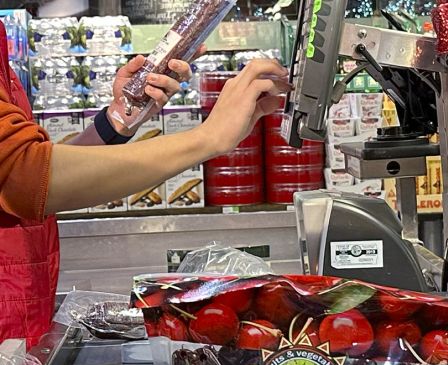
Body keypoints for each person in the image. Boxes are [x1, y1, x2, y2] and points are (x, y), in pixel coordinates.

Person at [0, 19, 290, 344]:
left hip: (18, 335)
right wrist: (209, 137)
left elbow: (26, 181)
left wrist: (120, 118)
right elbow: (24, 177)